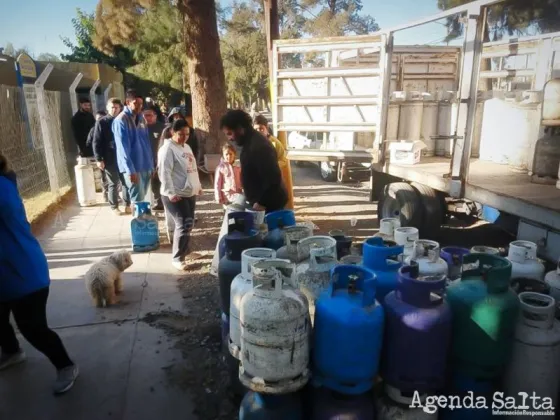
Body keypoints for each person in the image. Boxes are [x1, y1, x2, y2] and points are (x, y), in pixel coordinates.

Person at [0, 152, 79, 394]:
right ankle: (13, 352)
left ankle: (66, 365)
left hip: (22, 272)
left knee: (33, 328)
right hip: (8, 272)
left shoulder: (2, 188)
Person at [220, 109, 287, 213]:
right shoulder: (250, 142)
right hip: (261, 203)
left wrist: (262, 202)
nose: (230, 138)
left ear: (240, 129)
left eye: (230, 133)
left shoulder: (259, 146)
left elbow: (273, 178)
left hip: (268, 206)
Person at [158, 119, 202, 271]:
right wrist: (170, 193)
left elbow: (193, 167)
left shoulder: (187, 147)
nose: (184, 137)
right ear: (172, 132)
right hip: (175, 194)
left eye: (187, 134)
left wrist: (198, 185)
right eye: (180, 134)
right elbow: (164, 173)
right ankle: (177, 258)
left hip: (189, 191)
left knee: (189, 224)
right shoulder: (167, 149)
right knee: (182, 224)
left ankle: (185, 251)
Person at [112, 90, 154, 204]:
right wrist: (130, 170)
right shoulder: (120, 120)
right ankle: (137, 220)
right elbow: (122, 148)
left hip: (145, 165)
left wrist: (151, 164)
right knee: (137, 200)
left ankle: (142, 220)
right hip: (132, 167)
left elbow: (147, 143)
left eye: (141, 104)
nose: (139, 107)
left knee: (143, 197)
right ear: (128, 102)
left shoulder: (141, 119)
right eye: (136, 103)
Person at [93, 98, 131, 215]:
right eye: (112, 107)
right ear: (107, 108)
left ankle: (127, 204)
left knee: (126, 182)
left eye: (117, 107)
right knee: (113, 183)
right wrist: (99, 159)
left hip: (123, 157)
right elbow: (96, 142)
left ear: (120, 108)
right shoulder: (102, 122)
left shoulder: (124, 120)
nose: (114, 110)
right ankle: (114, 206)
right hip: (109, 158)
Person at [253, 114, 295, 210]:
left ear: (266, 128)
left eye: (261, 129)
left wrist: (272, 167)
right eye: (256, 130)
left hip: (273, 183)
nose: (258, 132)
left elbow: (283, 160)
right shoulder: (251, 143)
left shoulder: (275, 143)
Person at [143, 105, 166, 210]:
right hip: (146, 160)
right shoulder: (140, 128)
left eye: (149, 115)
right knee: (152, 183)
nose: (147, 118)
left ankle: (163, 201)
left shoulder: (162, 128)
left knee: (162, 181)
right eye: (145, 115)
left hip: (160, 160)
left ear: (155, 116)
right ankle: (157, 201)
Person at [214, 144, 242, 208]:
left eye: (231, 154)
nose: (229, 156)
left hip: (238, 194)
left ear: (234, 154)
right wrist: (218, 196)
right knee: (228, 212)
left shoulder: (238, 166)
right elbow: (217, 184)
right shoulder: (220, 168)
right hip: (227, 196)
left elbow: (242, 179)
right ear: (223, 155)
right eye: (226, 154)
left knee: (238, 211)